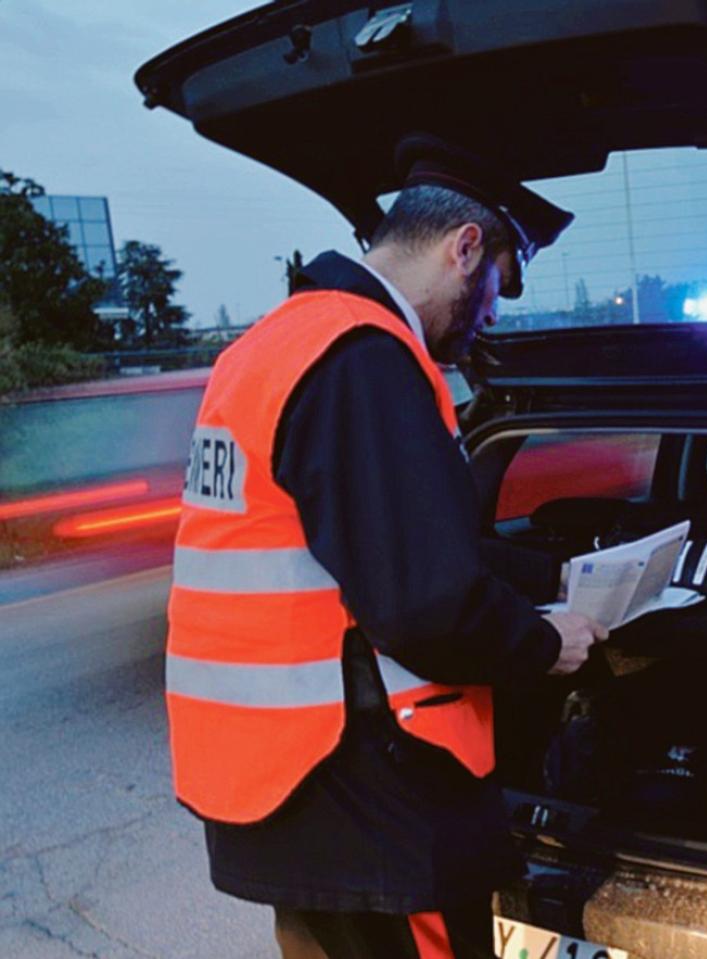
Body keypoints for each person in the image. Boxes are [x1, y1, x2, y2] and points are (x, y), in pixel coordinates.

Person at [164, 133, 608, 959]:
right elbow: (423, 600)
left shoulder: (267, 346)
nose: (493, 315)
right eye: (500, 287)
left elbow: (370, 542)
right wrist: (547, 641)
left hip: (281, 781)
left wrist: (555, 572)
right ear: (464, 247)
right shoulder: (364, 357)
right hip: (366, 795)